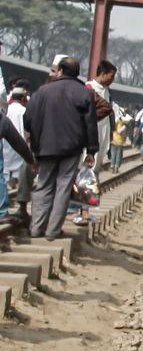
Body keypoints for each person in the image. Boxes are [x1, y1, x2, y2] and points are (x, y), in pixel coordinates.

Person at [25, 56, 99, 239]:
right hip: (71, 148)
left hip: (44, 147)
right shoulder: (83, 93)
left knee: (43, 185)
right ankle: (53, 231)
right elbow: (90, 124)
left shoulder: (42, 91)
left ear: (60, 71)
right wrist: (91, 150)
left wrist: (34, 142)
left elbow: (28, 119)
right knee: (64, 187)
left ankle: (36, 228)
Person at [1, 87, 35, 217]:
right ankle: (2, 210)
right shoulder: (22, 111)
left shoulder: (8, 110)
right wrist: (30, 159)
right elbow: (19, 139)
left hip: (7, 147)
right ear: (23, 98)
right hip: (17, 146)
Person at [85, 60, 116, 169]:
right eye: (111, 76)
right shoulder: (89, 87)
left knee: (97, 164)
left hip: (104, 131)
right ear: (103, 74)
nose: (112, 80)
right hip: (92, 132)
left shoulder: (108, 91)